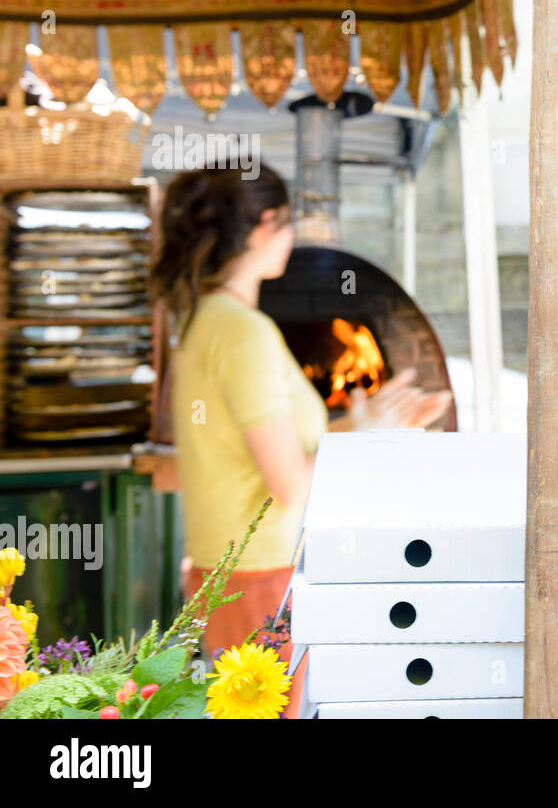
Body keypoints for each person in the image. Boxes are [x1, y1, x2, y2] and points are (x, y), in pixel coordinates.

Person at [150, 165, 450, 718]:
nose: (292, 236)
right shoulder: (243, 333)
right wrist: (368, 438)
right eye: (288, 223)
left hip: (230, 575)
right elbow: (288, 483)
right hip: (263, 578)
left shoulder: (204, 320)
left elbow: (261, 446)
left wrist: (369, 424)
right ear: (266, 224)